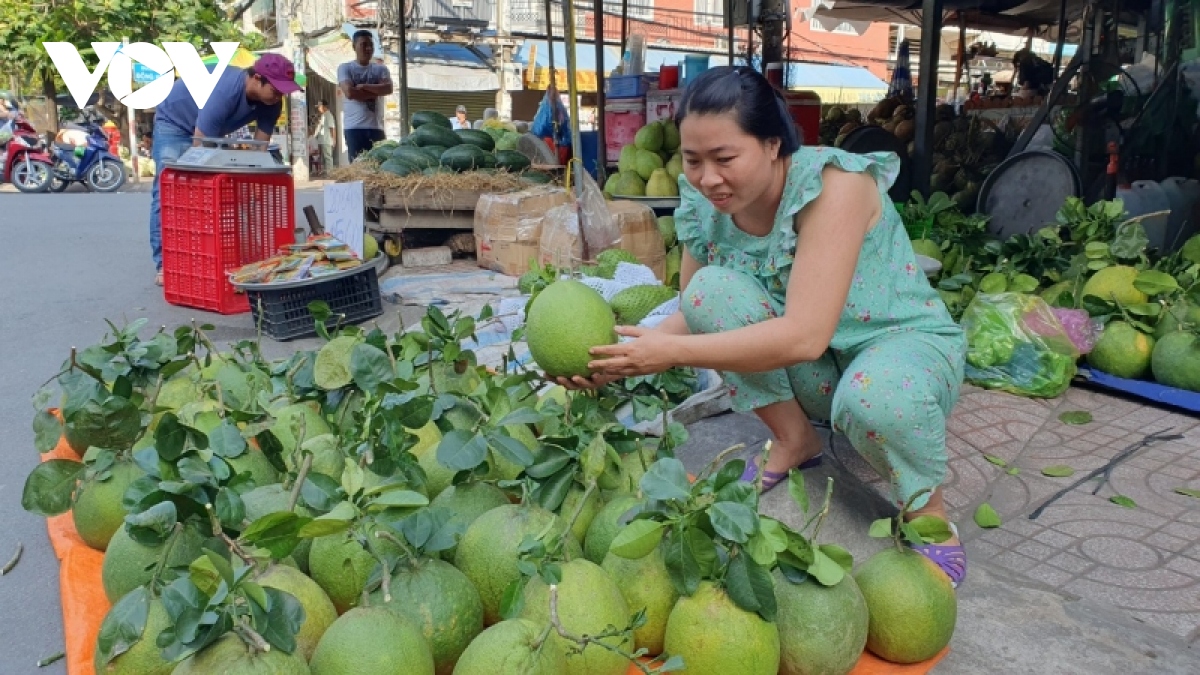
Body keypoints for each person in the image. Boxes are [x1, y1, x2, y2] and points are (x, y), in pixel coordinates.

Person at [551, 66, 969, 587]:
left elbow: (804, 335)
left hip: (901, 353)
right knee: (708, 290)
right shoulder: (707, 206)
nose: (707, 179)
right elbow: (693, 311)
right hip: (817, 371)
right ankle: (794, 440)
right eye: (694, 160)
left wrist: (671, 355)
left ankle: (926, 508)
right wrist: (617, 356)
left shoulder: (834, 186)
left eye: (725, 159)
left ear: (773, 144)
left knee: (875, 401)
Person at [148, 53, 298, 286]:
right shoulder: (226, 91)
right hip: (175, 123)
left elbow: (259, 149)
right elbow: (200, 147)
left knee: (209, 196)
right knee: (170, 192)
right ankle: (164, 265)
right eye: (276, 90)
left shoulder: (272, 102)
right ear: (257, 78)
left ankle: (202, 256)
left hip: (207, 129)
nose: (280, 96)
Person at [338, 30, 393, 162]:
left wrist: (364, 87)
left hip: (376, 128)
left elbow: (388, 88)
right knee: (358, 168)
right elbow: (350, 93)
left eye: (371, 45)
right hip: (354, 129)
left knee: (378, 168)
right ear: (354, 47)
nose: (368, 48)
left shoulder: (381, 69)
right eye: (364, 45)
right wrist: (375, 92)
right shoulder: (345, 68)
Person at [312, 99, 336, 174]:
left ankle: (330, 173)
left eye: (319, 107)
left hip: (327, 140)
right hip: (322, 140)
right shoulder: (323, 116)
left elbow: (332, 128)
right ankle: (326, 172)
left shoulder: (328, 115)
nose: (318, 109)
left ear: (324, 106)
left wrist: (334, 139)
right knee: (324, 158)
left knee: (328, 157)